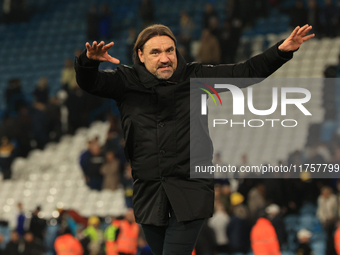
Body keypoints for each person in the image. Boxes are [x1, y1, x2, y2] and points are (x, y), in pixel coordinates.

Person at [74, 24, 314, 255]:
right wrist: (88, 62)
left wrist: (281, 52)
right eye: (155, 52)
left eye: (169, 50)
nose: (165, 58)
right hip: (148, 193)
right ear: (140, 55)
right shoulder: (125, 82)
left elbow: (245, 72)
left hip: (190, 189)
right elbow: (90, 82)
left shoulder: (196, 78)